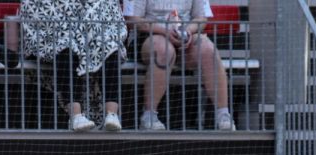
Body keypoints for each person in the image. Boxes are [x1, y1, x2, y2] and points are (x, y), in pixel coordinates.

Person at [123, 0, 235, 131]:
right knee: (164, 50)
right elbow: (132, 19)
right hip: (150, 35)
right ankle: (149, 116)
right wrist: (164, 31)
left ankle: (223, 115)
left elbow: (201, 17)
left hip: (185, 34)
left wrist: (187, 31)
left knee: (209, 51)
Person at [19, 0, 127, 131]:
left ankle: (112, 114)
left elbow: (108, 13)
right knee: (66, 47)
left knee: (110, 46)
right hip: (53, 37)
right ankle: (76, 116)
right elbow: (37, 13)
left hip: (91, 36)